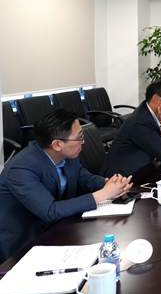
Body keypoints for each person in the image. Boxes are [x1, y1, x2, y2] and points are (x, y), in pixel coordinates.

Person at [0, 109, 132, 263]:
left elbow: (84, 178)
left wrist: (109, 184)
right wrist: (103, 194)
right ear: (57, 144)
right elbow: (50, 211)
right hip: (24, 242)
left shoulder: (67, 155)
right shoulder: (21, 168)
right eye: (79, 137)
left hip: (58, 228)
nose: (83, 141)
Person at [100, 79, 161, 177]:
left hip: (142, 170)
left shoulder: (149, 114)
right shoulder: (141, 122)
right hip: (121, 178)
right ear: (156, 99)